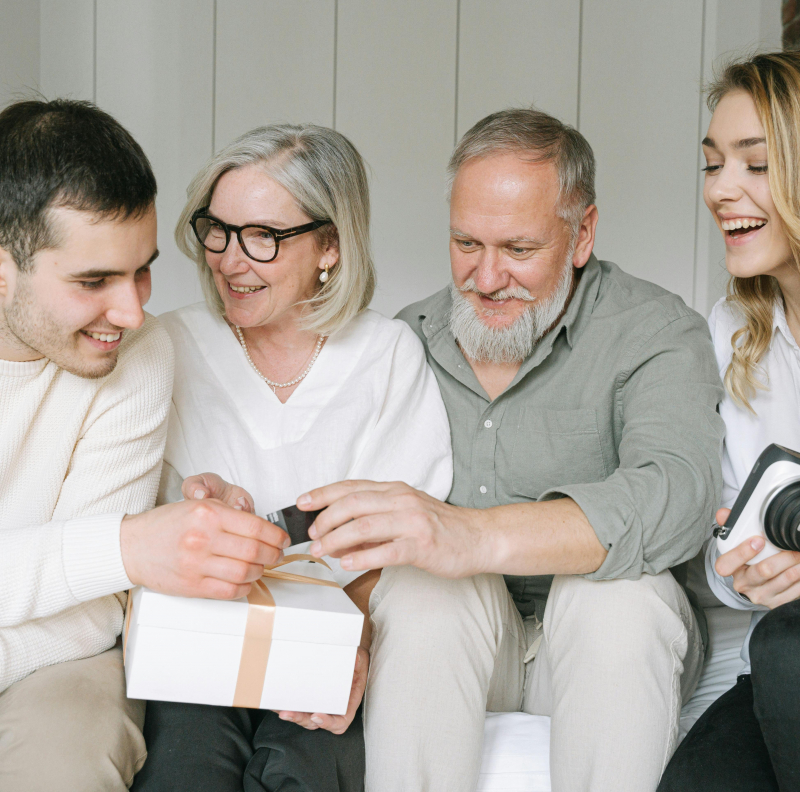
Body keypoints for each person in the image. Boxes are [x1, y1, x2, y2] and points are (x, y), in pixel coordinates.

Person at [298, 108, 726, 792]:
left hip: (601, 645)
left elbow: (676, 497)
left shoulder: (654, 329)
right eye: (466, 243)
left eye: (518, 250)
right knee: (420, 589)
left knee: (620, 599)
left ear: (582, 233)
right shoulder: (405, 340)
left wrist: (471, 535)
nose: (486, 277)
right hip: (461, 646)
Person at [131, 123, 452, 792]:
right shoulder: (167, 346)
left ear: (330, 244)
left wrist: (357, 648)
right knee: (184, 771)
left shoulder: (386, 357)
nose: (229, 259)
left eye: (264, 238)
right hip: (196, 635)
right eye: (216, 230)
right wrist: (195, 510)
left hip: (324, 644)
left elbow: (393, 552)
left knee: (301, 772)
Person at [0, 99, 291, 792]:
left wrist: (107, 559)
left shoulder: (140, 351)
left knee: (70, 752)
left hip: (62, 654)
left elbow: (94, 609)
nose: (131, 311)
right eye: (93, 281)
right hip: (38, 627)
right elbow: (106, 560)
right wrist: (127, 546)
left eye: (143, 271)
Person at [659, 52, 800, 792]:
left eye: (755, 164)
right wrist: (746, 570)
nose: (720, 190)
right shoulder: (732, 332)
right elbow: (722, 536)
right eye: (713, 164)